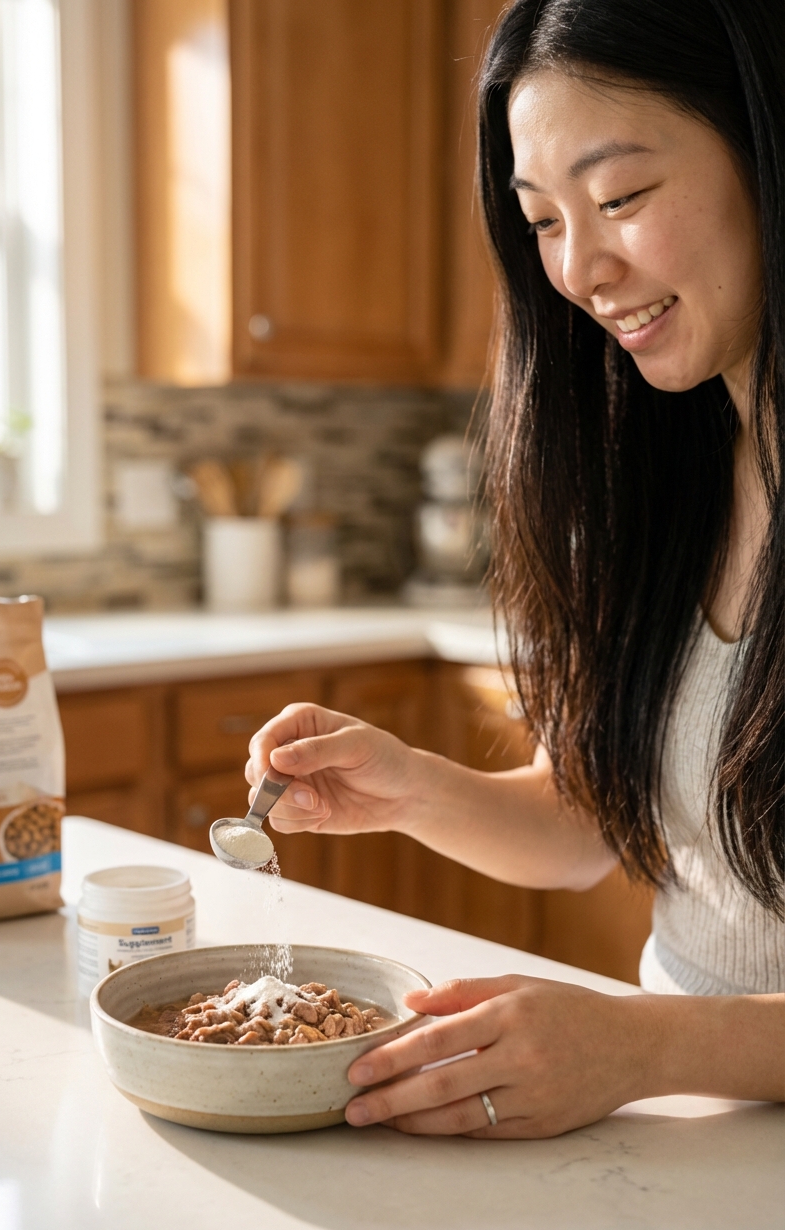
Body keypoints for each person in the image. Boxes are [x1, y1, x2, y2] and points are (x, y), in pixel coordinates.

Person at [247, 0, 784, 1138]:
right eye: (540, 220)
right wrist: (407, 786)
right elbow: (585, 821)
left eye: (621, 197)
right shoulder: (658, 483)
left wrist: (644, 1042)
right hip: (683, 1141)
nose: (580, 269)